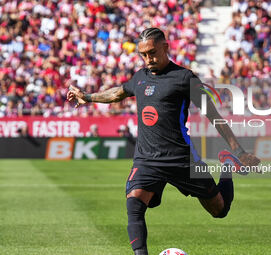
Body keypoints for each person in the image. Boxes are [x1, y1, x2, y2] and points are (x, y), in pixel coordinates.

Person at [67, 27, 260, 255]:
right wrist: (87, 97)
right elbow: (117, 93)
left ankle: (227, 166)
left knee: (219, 210)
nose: (148, 59)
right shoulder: (140, 77)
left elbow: (214, 116)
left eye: (152, 52)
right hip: (147, 159)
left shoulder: (185, 78)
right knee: (134, 203)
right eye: (143, 55)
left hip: (182, 159)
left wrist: (238, 151)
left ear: (165, 47)